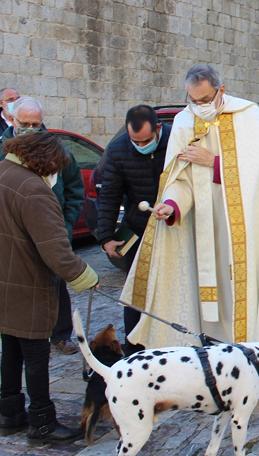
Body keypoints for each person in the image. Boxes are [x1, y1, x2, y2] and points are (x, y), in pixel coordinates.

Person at [121, 64, 259, 348]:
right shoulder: (184, 121)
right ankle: (209, 344)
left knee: (241, 286)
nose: (199, 106)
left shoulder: (247, 115)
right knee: (208, 286)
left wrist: (212, 162)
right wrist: (171, 205)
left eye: (205, 99)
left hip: (243, 224)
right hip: (203, 225)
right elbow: (180, 178)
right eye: (193, 100)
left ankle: (249, 345)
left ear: (221, 90)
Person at [0, 131, 98, 443]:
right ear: (46, 161)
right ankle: (42, 422)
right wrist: (85, 276)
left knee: (12, 349)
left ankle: (10, 413)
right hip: (24, 282)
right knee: (36, 353)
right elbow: (55, 248)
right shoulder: (32, 189)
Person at [0, 97, 84, 356]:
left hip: (49, 231)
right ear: (13, 120)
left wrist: (66, 224)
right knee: (16, 289)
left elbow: (74, 189)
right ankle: (13, 334)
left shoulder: (56, 150)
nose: (31, 129)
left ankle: (60, 335)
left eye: (36, 124)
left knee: (56, 285)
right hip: (12, 237)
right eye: (25, 124)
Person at [95, 104, 170, 355]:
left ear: (158, 128)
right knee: (135, 292)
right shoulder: (118, 150)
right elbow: (109, 195)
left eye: (146, 141)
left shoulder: (176, 141)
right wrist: (106, 236)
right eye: (134, 141)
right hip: (138, 228)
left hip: (175, 227)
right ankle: (135, 349)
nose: (140, 145)